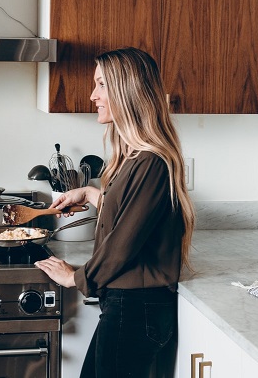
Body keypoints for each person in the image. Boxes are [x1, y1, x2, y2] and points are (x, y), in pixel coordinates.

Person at [34, 47, 195, 377]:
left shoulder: (151, 162)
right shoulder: (134, 158)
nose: (93, 95)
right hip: (129, 306)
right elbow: (133, 215)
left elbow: (123, 243)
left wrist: (77, 277)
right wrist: (92, 193)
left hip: (136, 309)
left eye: (101, 84)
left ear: (128, 89)